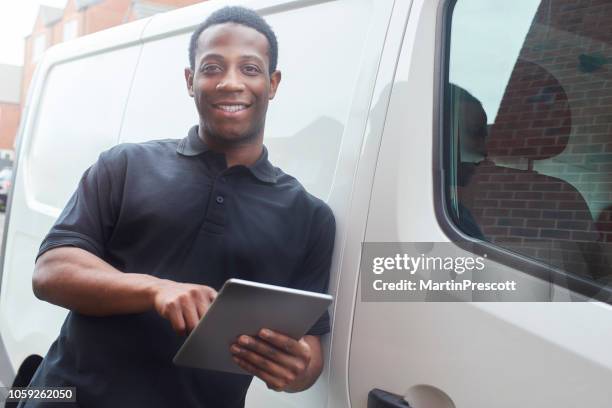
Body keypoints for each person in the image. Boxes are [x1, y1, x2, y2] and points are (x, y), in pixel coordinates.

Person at [19, 6, 335, 408]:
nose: (230, 83)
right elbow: (51, 271)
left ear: (272, 83)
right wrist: (155, 289)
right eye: (213, 67)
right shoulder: (125, 165)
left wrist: (296, 371)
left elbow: (311, 353)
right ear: (191, 80)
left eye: (250, 69)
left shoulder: (309, 217)